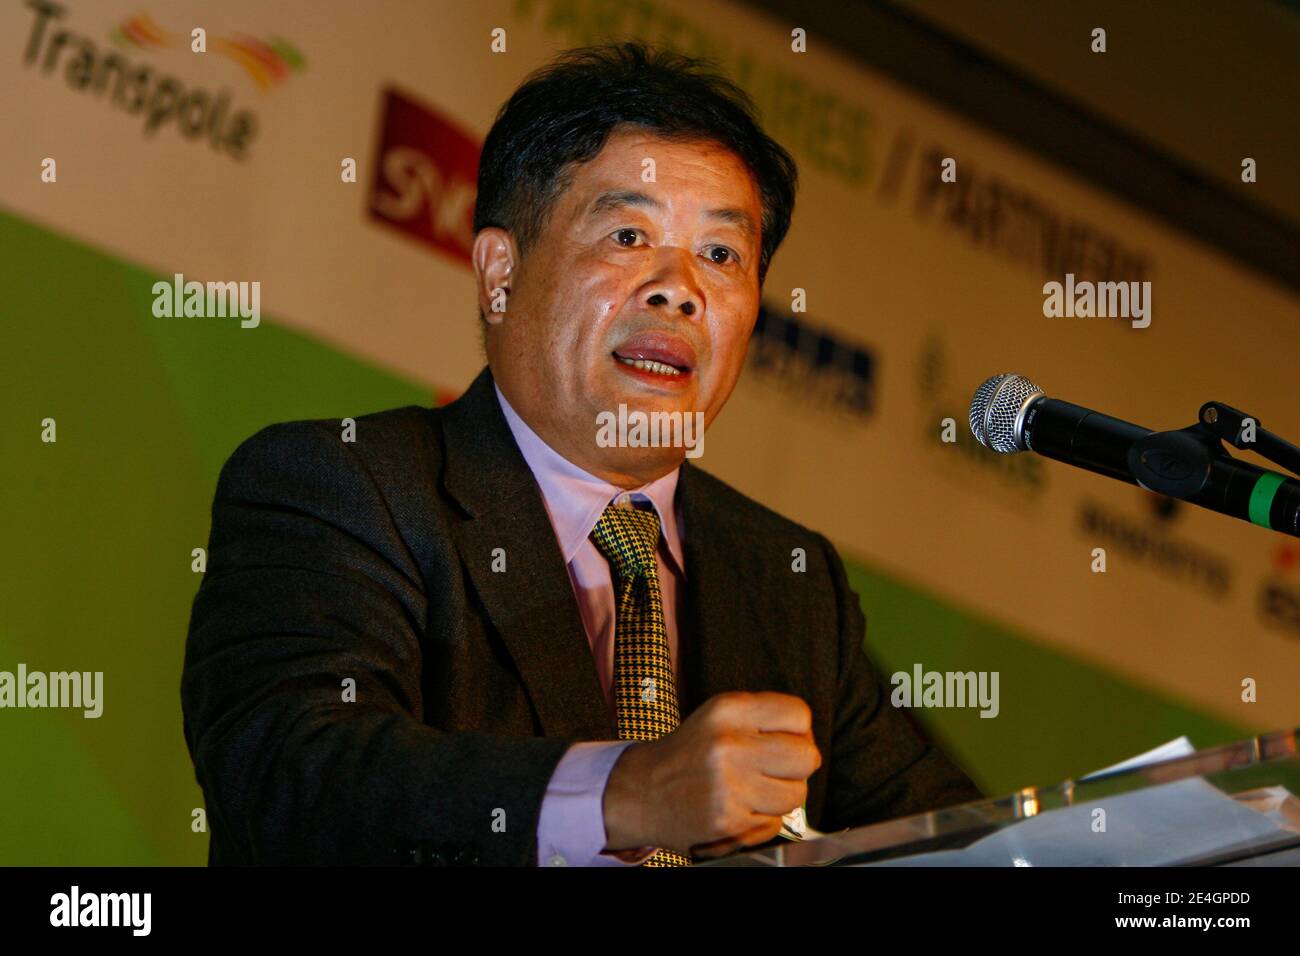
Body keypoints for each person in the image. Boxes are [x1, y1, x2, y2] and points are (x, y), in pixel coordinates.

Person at [181, 41, 980, 867]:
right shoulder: (347, 489)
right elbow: (291, 778)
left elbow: (955, 842)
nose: (681, 290)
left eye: (721, 255)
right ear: (500, 271)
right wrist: (628, 792)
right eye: (629, 235)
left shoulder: (785, 578)